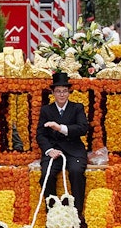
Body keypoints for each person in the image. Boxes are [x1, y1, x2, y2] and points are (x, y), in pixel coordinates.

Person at [36, 72, 89, 212]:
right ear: (52, 93)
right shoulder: (46, 110)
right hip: (53, 149)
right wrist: (49, 150)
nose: (61, 94)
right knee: (47, 174)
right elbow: (40, 134)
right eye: (58, 91)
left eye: (64, 91)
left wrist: (60, 128)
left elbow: (83, 128)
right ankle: (53, 212)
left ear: (69, 92)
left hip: (74, 149)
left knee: (76, 172)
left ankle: (77, 213)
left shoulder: (77, 108)